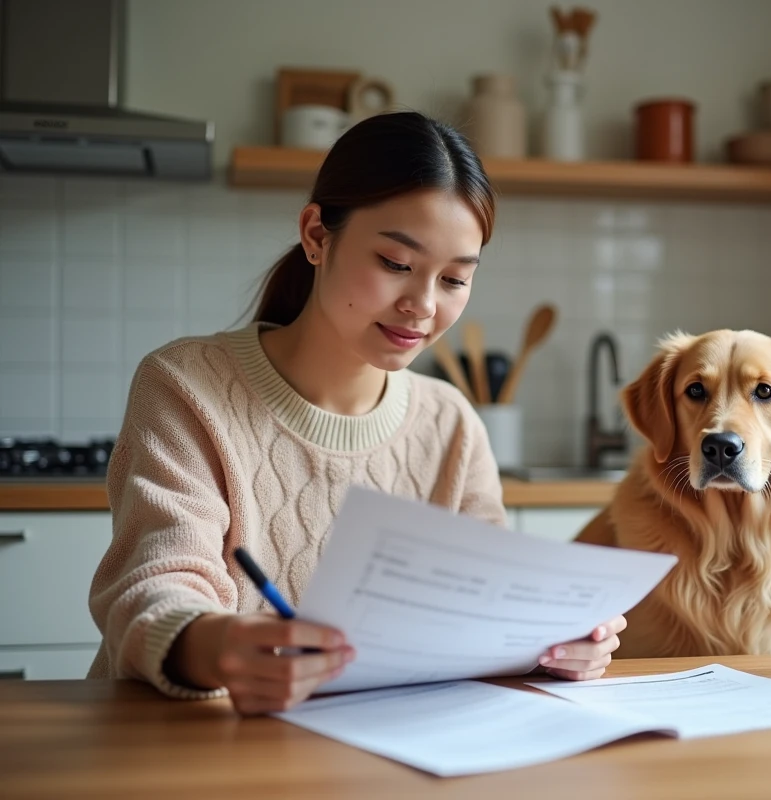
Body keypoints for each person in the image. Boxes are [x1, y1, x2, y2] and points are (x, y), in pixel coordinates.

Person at [87, 111, 625, 715]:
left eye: (453, 278)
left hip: (376, 753)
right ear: (317, 235)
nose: (422, 305)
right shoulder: (186, 386)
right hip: (193, 743)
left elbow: (483, 615)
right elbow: (153, 591)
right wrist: (220, 647)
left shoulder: (449, 424)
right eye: (396, 264)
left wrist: (552, 644)